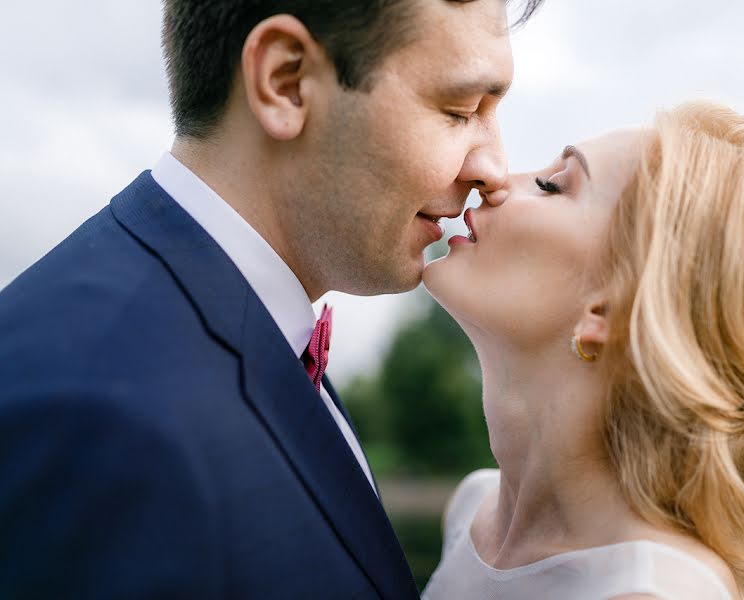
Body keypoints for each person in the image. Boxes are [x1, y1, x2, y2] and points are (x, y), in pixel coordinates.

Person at [0, 0, 543, 597]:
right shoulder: (101, 423)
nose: (495, 168)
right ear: (286, 83)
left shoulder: (238, 337)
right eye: (459, 110)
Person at [421, 102, 744, 600]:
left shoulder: (652, 592)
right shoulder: (470, 510)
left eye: (554, 185)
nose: (493, 180)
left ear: (613, 310)